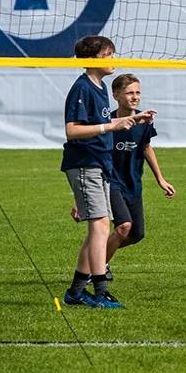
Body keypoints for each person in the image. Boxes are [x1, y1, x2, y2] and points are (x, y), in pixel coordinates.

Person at [61, 36, 152, 309]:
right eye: (108, 54)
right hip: (85, 162)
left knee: (98, 231)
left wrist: (130, 120)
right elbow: (72, 130)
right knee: (101, 227)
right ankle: (99, 292)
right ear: (92, 59)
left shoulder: (99, 88)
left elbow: (103, 122)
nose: (113, 59)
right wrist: (109, 128)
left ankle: (77, 292)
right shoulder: (82, 88)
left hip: (100, 165)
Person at [102, 73, 175, 278]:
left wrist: (160, 179)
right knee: (124, 226)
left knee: (136, 234)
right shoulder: (108, 122)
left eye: (138, 92)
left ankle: (97, 257)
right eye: (130, 93)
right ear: (116, 95)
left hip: (133, 182)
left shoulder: (144, 120)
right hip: (111, 181)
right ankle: (96, 268)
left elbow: (146, 147)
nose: (135, 97)